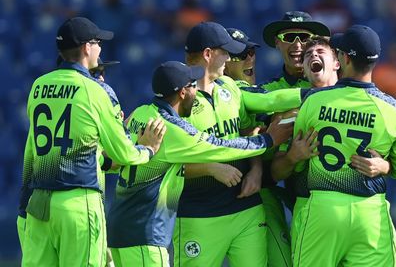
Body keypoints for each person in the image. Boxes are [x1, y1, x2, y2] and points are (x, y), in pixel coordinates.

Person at [107, 61, 293, 267]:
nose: (198, 91)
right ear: (183, 93)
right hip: (145, 231)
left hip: (118, 226)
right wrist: (268, 140)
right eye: (194, 85)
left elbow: (112, 160)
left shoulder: (140, 113)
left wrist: (144, 151)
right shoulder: (171, 128)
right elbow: (219, 146)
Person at [20, 17, 166, 267]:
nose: (100, 48)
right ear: (87, 47)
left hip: (39, 204)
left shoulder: (38, 86)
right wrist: (147, 150)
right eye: (98, 42)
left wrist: (24, 205)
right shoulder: (95, 91)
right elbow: (123, 154)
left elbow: (31, 150)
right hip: (78, 201)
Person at [174, 21, 302, 267]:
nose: (229, 59)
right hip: (200, 214)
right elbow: (167, 162)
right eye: (226, 53)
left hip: (246, 208)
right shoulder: (179, 98)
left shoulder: (230, 88)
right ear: (208, 55)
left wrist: (255, 168)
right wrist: (211, 168)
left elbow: (244, 129)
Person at [292, 25, 396, 266]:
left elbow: (298, 162)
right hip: (370, 214)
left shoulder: (314, 101)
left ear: (344, 59)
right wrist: (385, 166)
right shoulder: (394, 110)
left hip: (322, 209)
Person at [270, 35, 340, 258]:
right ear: (305, 73)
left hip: (360, 208)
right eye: (309, 55)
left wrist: (383, 165)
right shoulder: (294, 116)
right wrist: (292, 156)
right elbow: (274, 172)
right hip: (311, 209)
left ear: (337, 62)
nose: (314, 56)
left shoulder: (364, 102)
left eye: (321, 52)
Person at [260, 11, 331, 91]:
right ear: (277, 42)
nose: (297, 45)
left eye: (305, 38)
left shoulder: (334, 84)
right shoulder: (266, 90)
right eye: (289, 37)